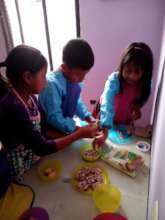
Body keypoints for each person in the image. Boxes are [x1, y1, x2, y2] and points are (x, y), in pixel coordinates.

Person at [0, 45, 98, 180]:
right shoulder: (14, 107)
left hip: (32, 156)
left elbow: (42, 128)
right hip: (18, 163)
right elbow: (41, 147)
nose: (46, 82)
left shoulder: (30, 98)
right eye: (43, 76)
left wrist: (85, 120)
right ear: (28, 77)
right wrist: (78, 133)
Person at [93, 42, 153, 146]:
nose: (132, 76)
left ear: (144, 72)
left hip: (124, 121)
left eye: (137, 72)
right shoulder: (114, 80)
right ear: (122, 66)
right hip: (105, 117)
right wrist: (105, 132)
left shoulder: (145, 84)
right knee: (103, 142)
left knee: (122, 145)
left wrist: (137, 107)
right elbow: (107, 104)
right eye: (128, 71)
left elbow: (142, 98)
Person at [39, 38, 95, 136]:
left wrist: (88, 118)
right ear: (64, 67)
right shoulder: (51, 85)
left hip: (64, 128)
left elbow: (76, 102)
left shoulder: (74, 79)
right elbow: (54, 117)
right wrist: (77, 129)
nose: (82, 79)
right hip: (49, 131)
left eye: (85, 74)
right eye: (77, 74)